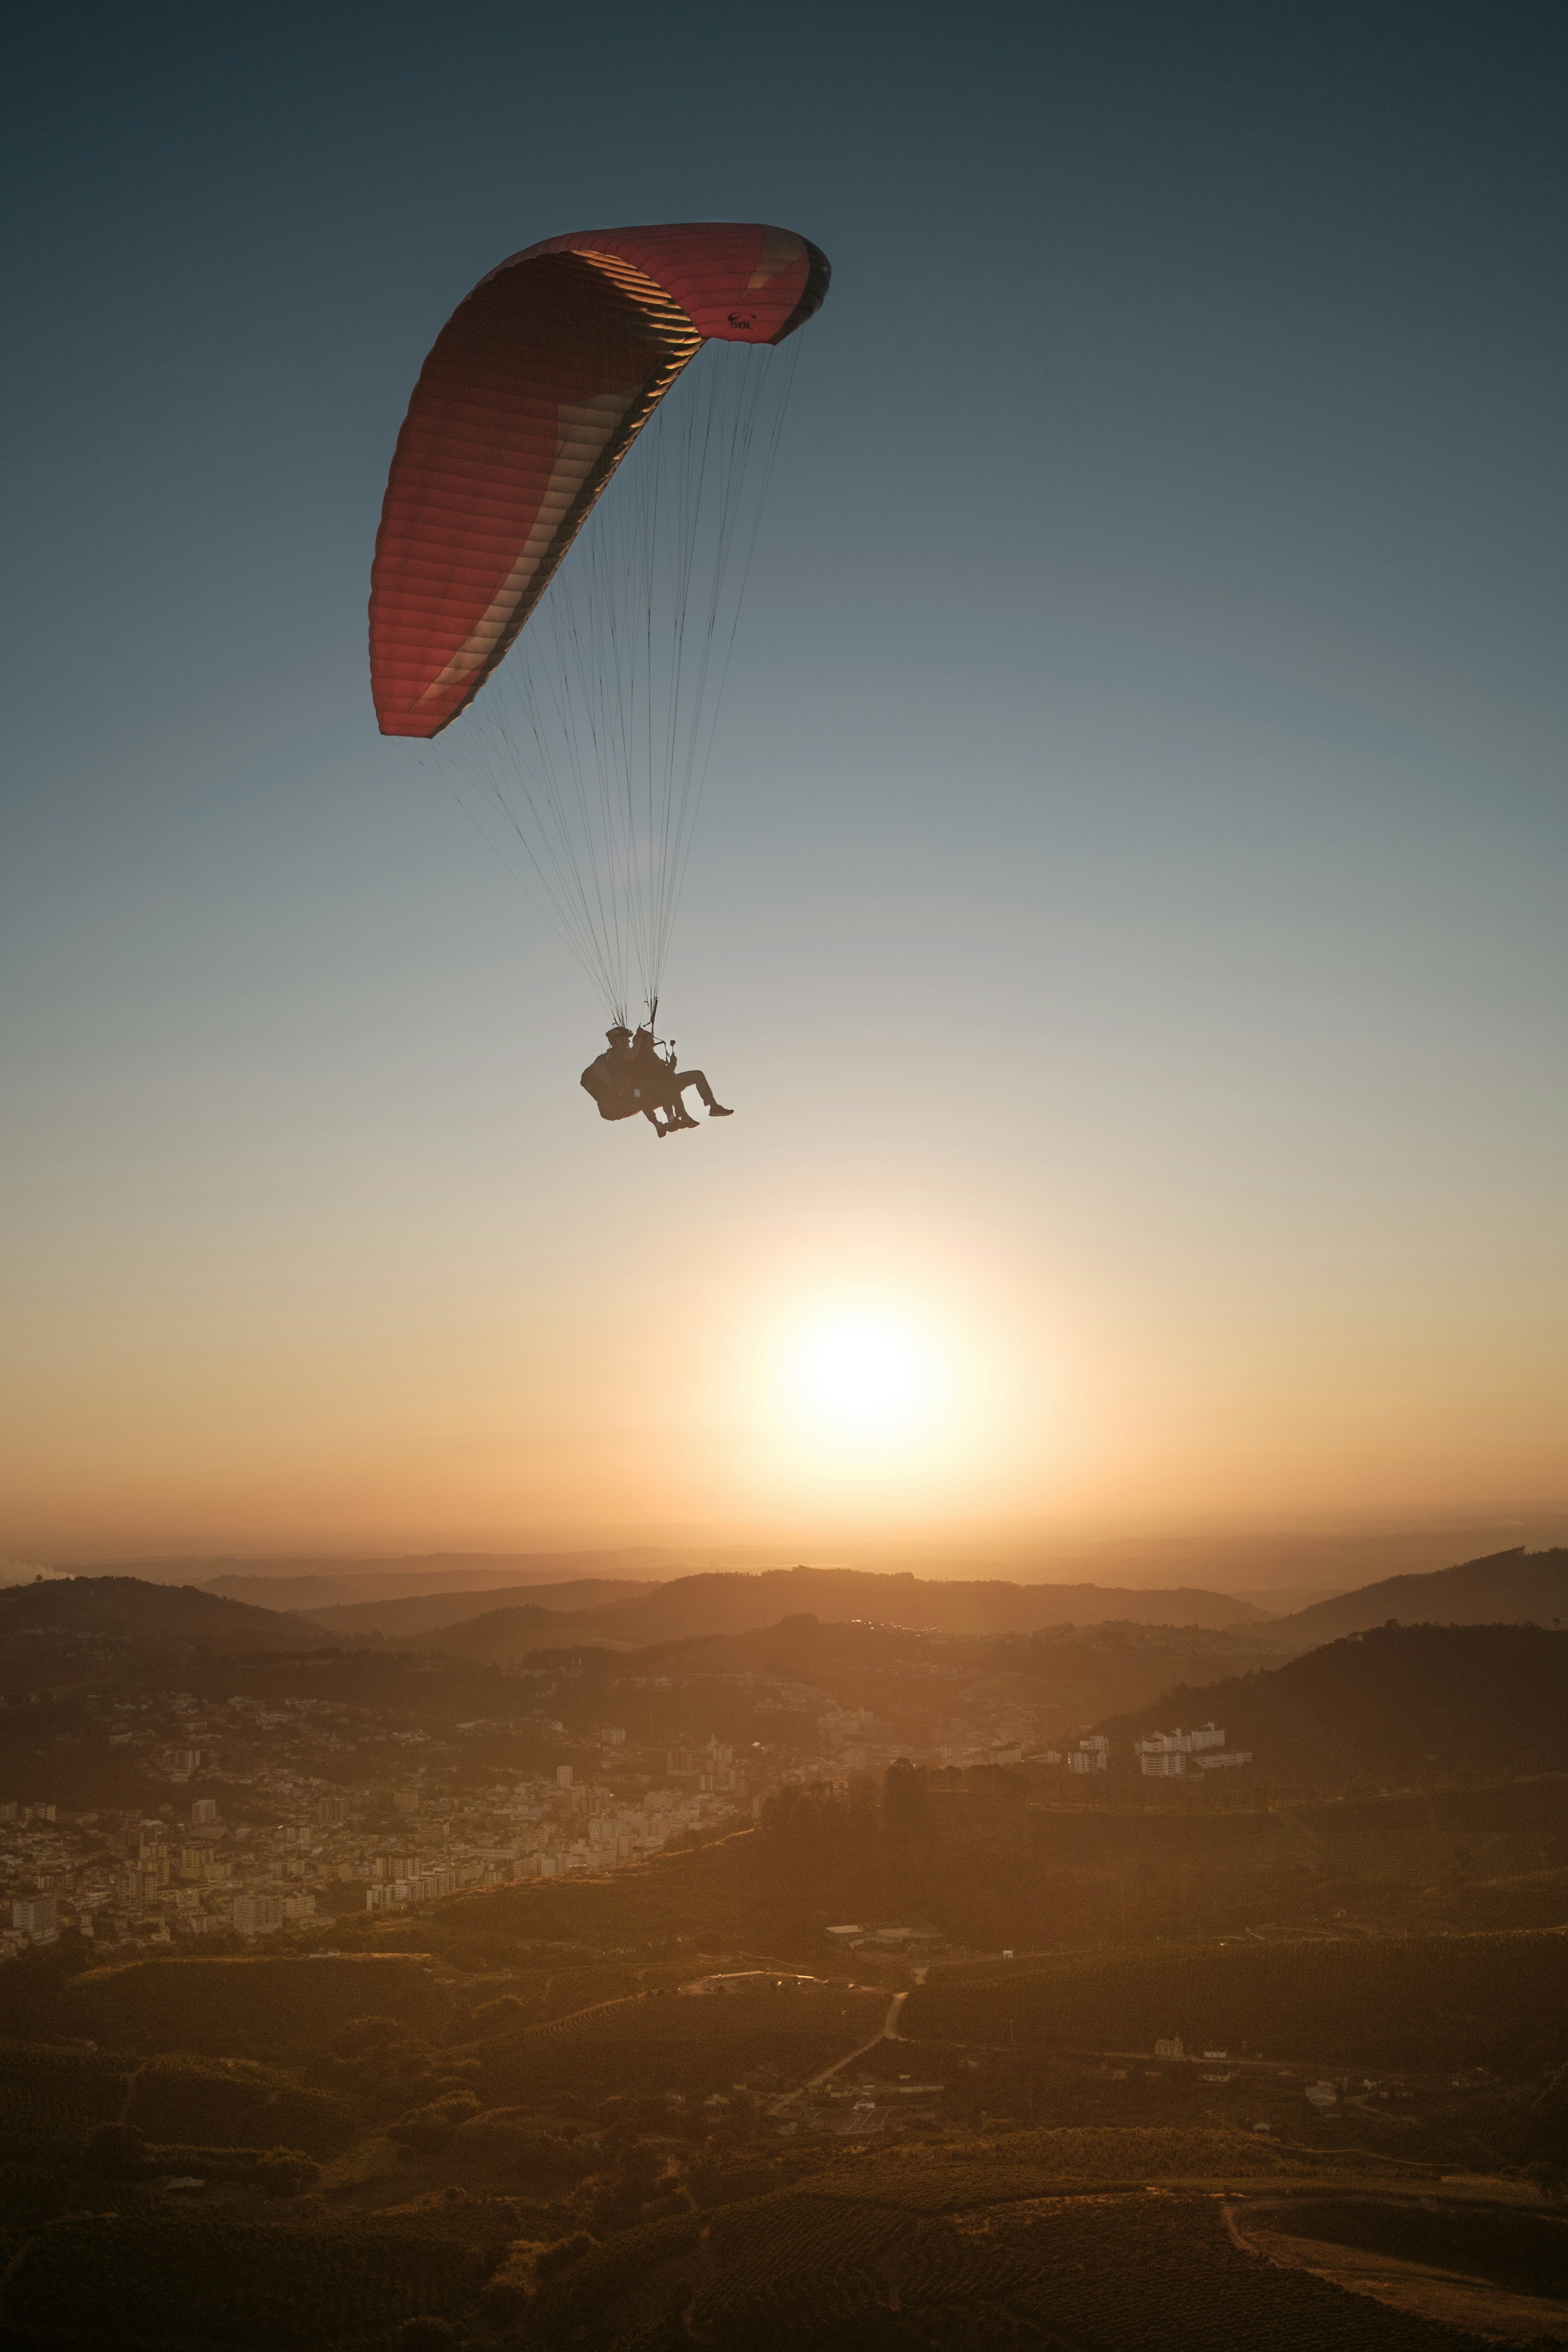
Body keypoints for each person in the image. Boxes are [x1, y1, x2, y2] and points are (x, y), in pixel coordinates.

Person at [579, 1025, 733, 1136]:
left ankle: (703, 1110)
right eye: (625, 1039)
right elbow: (635, 1061)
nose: (627, 1041)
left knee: (682, 1080)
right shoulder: (618, 1054)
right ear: (618, 1040)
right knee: (673, 1083)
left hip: (653, 1090)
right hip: (645, 1093)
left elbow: (662, 1073)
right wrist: (639, 1041)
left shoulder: (639, 1053)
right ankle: (681, 1116)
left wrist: (672, 1064)